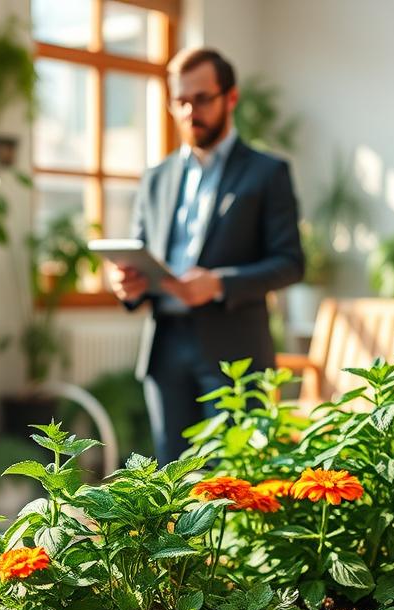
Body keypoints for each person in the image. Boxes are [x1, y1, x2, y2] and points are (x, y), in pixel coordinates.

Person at [108, 47, 305, 464]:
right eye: (180, 101)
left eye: (201, 99)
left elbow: (290, 262)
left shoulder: (267, 173)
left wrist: (218, 283)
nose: (189, 112)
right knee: (171, 483)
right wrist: (128, 286)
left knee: (233, 484)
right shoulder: (156, 178)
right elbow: (141, 253)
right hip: (165, 346)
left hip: (235, 349)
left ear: (230, 98)